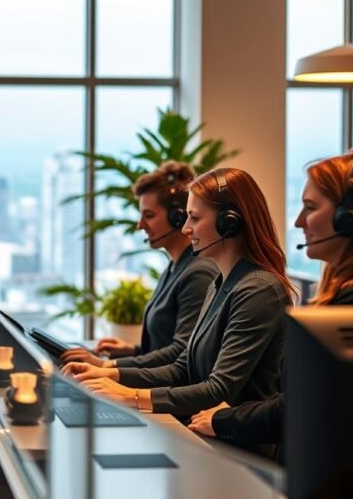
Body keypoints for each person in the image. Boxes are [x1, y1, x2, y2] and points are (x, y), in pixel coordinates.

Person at [189, 129, 353, 448]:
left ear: (349, 218)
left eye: (310, 207)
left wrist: (223, 419)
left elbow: (306, 407)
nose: (297, 221)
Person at [63, 167, 295, 420]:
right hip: (199, 432)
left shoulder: (258, 290)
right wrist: (109, 374)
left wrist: (129, 395)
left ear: (229, 223)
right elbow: (182, 368)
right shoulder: (222, 282)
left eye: (194, 218)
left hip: (233, 447)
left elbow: (219, 390)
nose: (185, 228)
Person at [62, 161, 217, 372]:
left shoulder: (198, 273)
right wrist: (133, 350)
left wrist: (107, 365)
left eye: (149, 215)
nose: (140, 224)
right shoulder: (175, 267)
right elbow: (164, 343)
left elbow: (182, 352)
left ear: (178, 217)